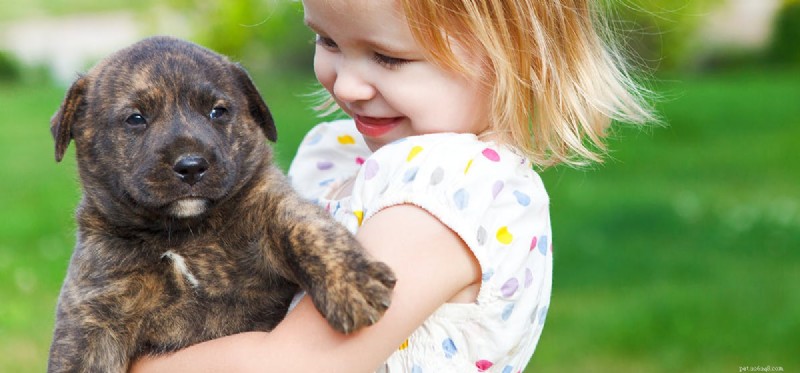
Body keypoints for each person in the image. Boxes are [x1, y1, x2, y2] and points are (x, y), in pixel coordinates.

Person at [132, 0, 655, 371]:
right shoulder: (349, 156)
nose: (349, 84)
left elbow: (296, 364)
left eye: (390, 58)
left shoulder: (449, 194)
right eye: (328, 41)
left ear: (517, 56)